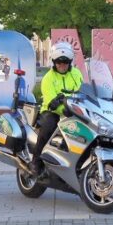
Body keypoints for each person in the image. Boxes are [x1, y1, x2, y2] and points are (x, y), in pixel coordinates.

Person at [31, 42, 83, 175]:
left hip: (74, 110)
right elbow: (50, 100)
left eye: (65, 61)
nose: (62, 64)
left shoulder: (76, 74)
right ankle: (36, 161)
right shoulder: (48, 78)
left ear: (70, 62)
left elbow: (84, 90)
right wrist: (64, 109)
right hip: (52, 111)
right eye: (58, 62)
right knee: (49, 125)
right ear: (53, 62)